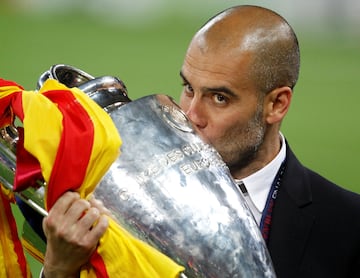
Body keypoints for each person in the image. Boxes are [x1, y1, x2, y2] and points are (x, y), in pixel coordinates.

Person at [41, 5, 360, 278]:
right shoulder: (123, 202)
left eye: (219, 98)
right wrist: (58, 269)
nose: (190, 115)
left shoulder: (347, 223)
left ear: (276, 104)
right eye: (189, 88)